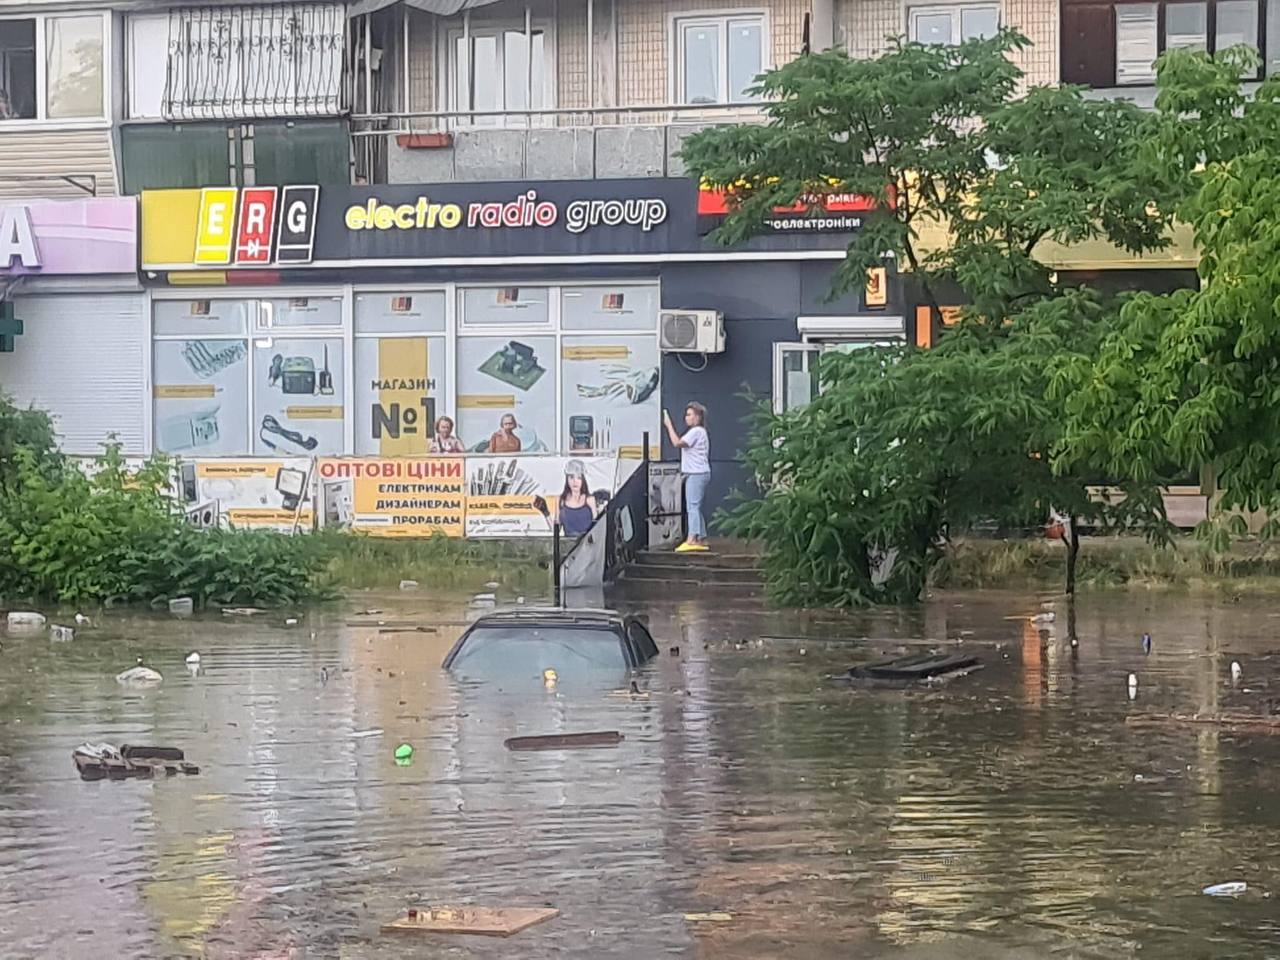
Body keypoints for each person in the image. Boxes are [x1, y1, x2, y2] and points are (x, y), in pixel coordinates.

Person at [664, 402, 710, 552]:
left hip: (696, 473)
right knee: (695, 506)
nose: (686, 417)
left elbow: (677, 443)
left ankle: (692, 539)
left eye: (690, 414)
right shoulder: (699, 432)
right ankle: (702, 537)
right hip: (698, 473)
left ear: (697, 417)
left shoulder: (696, 431)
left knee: (693, 507)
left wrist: (668, 425)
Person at [557, 460, 600, 537]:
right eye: (571, 477)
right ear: (567, 479)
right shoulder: (560, 500)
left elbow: (597, 528)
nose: (575, 481)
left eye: (579, 478)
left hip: (588, 545)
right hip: (569, 546)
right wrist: (546, 512)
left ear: (583, 480)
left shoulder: (589, 500)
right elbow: (556, 529)